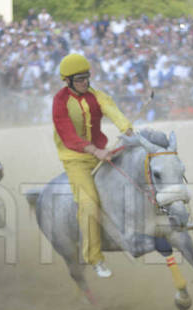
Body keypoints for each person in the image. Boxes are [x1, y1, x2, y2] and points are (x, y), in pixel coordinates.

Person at [52, 54, 133, 278]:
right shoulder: (60, 102)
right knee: (89, 202)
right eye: (80, 79)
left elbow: (111, 109)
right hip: (75, 158)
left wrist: (126, 128)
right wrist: (96, 151)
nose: (85, 83)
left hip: (102, 152)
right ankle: (95, 258)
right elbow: (68, 136)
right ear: (67, 81)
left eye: (87, 78)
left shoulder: (95, 95)